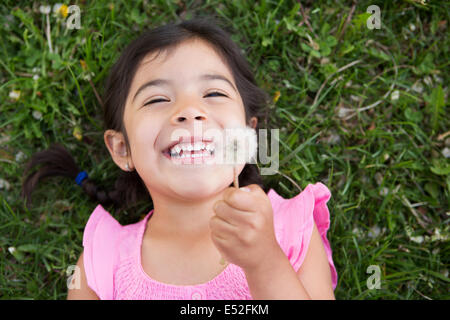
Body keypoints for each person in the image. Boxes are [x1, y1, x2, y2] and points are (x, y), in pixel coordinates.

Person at [22, 16, 337, 300]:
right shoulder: (103, 262)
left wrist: (265, 262)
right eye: (158, 99)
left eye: (214, 93)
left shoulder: (290, 228)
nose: (189, 111)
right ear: (122, 149)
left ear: (248, 136)